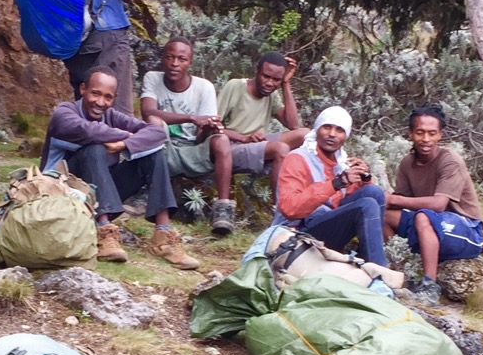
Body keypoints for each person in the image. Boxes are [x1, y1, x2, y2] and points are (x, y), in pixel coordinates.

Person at [43, 67, 200, 269]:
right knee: (95, 149)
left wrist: (123, 145)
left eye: (107, 97)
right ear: (83, 89)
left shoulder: (112, 116)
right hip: (63, 194)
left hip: (100, 194)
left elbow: (157, 132)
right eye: (95, 93)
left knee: (154, 153)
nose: (100, 102)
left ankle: (163, 236)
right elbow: (90, 131)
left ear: (114, 98)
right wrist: (126, 135)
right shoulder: (64, 113)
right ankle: (104, 231)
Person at [141, 38, 291, 237]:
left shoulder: (204, 87)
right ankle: (146, 191)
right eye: (169, 57)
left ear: (190, 62)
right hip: (165, 147)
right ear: (162, 58)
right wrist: (191, 118)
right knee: (154, 122)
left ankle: (223, 208)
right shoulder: (153, 78)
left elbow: (205, 134)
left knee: (221, 139)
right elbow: (147, 111)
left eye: (181, 59)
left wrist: (205, 127)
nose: (175, 63)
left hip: (195, 148)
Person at [383, 104, 483, 303]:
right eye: (420, 133)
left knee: (424, 216)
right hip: (431, 225)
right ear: (410, 134)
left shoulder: (449, 161)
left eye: (432, 133)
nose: (426, 139)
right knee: (383, 215)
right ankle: (404, 275)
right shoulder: (408, 163)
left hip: (468, 230)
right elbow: (399, 205)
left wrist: (391, 199)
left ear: (440, 135)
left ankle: (430, 286)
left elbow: (439, 204)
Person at [272, 106, 390, 267]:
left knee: (374, 193)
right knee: (366, 205)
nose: (332, 134)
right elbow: (290, 209)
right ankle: (379, 272)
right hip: (297, 233)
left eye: (339, 130)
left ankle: (367, 260)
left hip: (326, 228)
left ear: (345, 136)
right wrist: (336, 183)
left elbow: (347, 203)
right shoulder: (298, 158)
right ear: (317, 129)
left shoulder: (341, 162)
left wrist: (364, 177)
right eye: (327, 127)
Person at [215, 52, 307, 166]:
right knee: (281, 149)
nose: (269, 83)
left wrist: (285, 84)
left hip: (258, 142)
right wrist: (243, 138)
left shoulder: (272, 94)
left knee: (306, 135)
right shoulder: (235, 86)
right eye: (266, 76)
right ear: (257, 71)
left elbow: (293, 125)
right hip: (232, 145)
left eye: (276, 79)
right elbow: (213, 127)